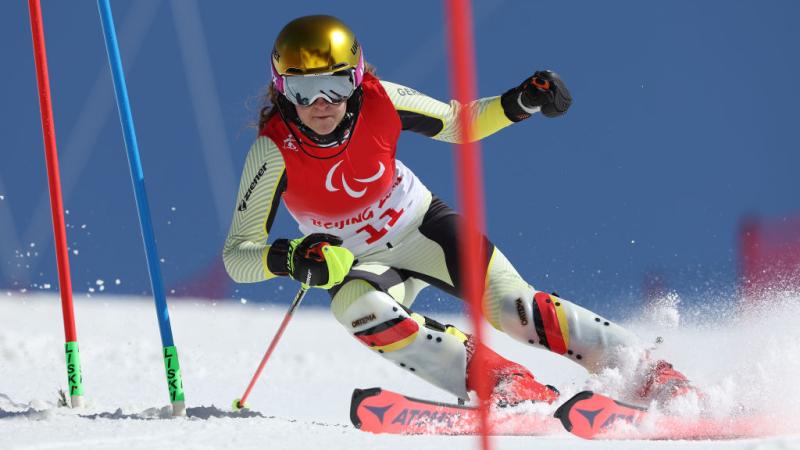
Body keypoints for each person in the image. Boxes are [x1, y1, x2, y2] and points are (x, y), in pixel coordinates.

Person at [223, 15, 691, 407]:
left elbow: (460, 122)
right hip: (358, 261)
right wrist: (290, 259)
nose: (322, 104)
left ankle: (647, 371)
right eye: (304, 91)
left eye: (336, 84)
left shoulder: (382, 101)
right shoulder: (272, 153)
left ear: (357, 77)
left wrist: (520, 102)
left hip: (423, 227)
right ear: (281, 91)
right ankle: (504, 384)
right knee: (355, 307)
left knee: (514, 309)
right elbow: (237, 255)